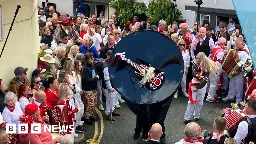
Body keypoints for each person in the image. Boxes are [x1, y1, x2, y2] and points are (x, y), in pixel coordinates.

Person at [184, 52, 219, 124]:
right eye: (196, 58)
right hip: (194, 83)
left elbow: (205, 79)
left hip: (202, 85)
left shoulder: (207, 66)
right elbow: (193, 74)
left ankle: (196, 115)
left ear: (202, 59)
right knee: (191, 101)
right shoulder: (194, 64)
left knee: (200, 102)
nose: (197, 60)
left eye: (199, 59)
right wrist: (199, 77)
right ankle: (187, 118)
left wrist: (199, 87)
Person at [223, 39, 250, 103]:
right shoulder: (237, 50)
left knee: (239, 85)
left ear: (242, 44)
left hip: (240, 72)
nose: (236, 46)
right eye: (235, 44)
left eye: (237, 44)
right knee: (232, 83)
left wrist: (238, 71)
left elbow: (244, 63)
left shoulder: (245, 52)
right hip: (233, 69)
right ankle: (230, 96)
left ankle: (238, 99)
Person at [102, 50, 121, 121]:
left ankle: (112, 111)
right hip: (109, 87)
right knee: (110, 100)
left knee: (113, 99)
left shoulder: (111, 63)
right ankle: (108, 113)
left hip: (113, 85)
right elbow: (106, 78)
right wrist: (110, 87)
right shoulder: (106, 66)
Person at [206, 37, 226, 103]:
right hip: (215, 67)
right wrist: (219, 71)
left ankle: (209, 94)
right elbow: (219, 62)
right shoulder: (221, 51)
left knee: (209, 81)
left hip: (210, 66)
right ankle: (210, 97)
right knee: (214, 83)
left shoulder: (215, 48)